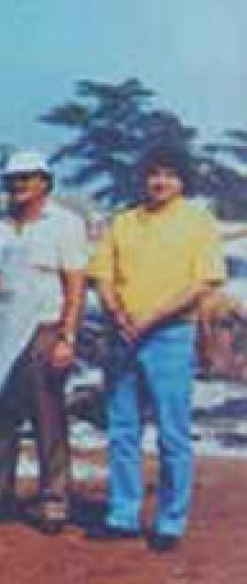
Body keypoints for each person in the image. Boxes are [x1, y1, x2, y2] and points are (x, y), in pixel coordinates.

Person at [86, 145, 225, 552]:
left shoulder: (198, 222)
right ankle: (122, 514)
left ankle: (170, 521)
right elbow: (102, 274)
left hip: (170, 335)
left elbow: (203, 282)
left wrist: (151, 318)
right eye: (152, 174)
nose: (159, 182)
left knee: (172, 433)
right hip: (123, 334)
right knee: (123, 429)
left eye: (169, 174)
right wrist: (116, 312)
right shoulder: (123, 222)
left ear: (182, 181)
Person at [0, 150, 88, 533]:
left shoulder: (65, 225)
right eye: (12, 179)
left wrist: (67, 337)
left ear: (44, 181)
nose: (18, 186)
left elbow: (75, 285)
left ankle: (54, 499)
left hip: (43, 325)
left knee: (47, 414)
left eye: (27, 178)